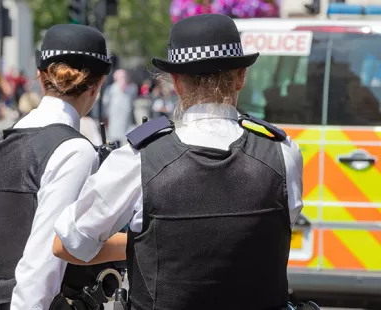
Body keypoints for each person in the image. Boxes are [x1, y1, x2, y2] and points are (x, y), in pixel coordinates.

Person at [53, 14, 307, 310]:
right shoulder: (283, 154)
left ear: (176, 82)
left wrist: (144, 244)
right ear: (240, 77)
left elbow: (68, 244)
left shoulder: (138, 159)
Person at [0, 24, 124, 310]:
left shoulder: (6, 139)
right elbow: (45, 262)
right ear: (97, 85)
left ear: (39, 75)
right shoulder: (74, 150)